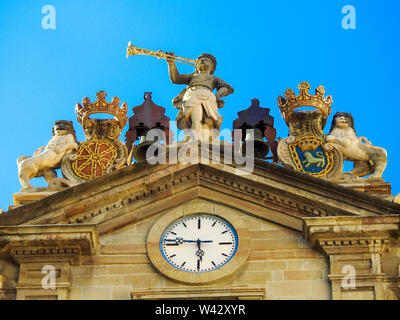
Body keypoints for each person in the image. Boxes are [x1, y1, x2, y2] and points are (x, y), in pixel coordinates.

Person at [166, 53, 234, 141]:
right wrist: (171, 63)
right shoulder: (193, 76)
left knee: (207, 121)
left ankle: (203, 139)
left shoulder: (214, 78)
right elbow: (175, 78)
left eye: (206, 60)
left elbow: (225, 87)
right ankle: (194, 139)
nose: (202, 61)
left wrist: (217, 96)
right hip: (193, 94)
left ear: (212, 67)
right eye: (201, 60)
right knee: (195, 117)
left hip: (208, 96)